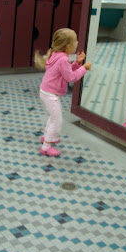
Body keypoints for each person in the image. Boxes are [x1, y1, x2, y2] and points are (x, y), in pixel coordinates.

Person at [35, 28, 91, 157]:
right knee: (57, 120)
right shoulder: (63, 59)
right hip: (50, 94)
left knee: (53, 116)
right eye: (75, 41)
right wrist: (84, 68)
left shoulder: (57, 55)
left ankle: (48, 137)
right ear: (67, 46)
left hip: (46, 91)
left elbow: (66, 72)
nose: (77, 43)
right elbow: (71, 77)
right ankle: (46, 147)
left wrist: (77, 63)